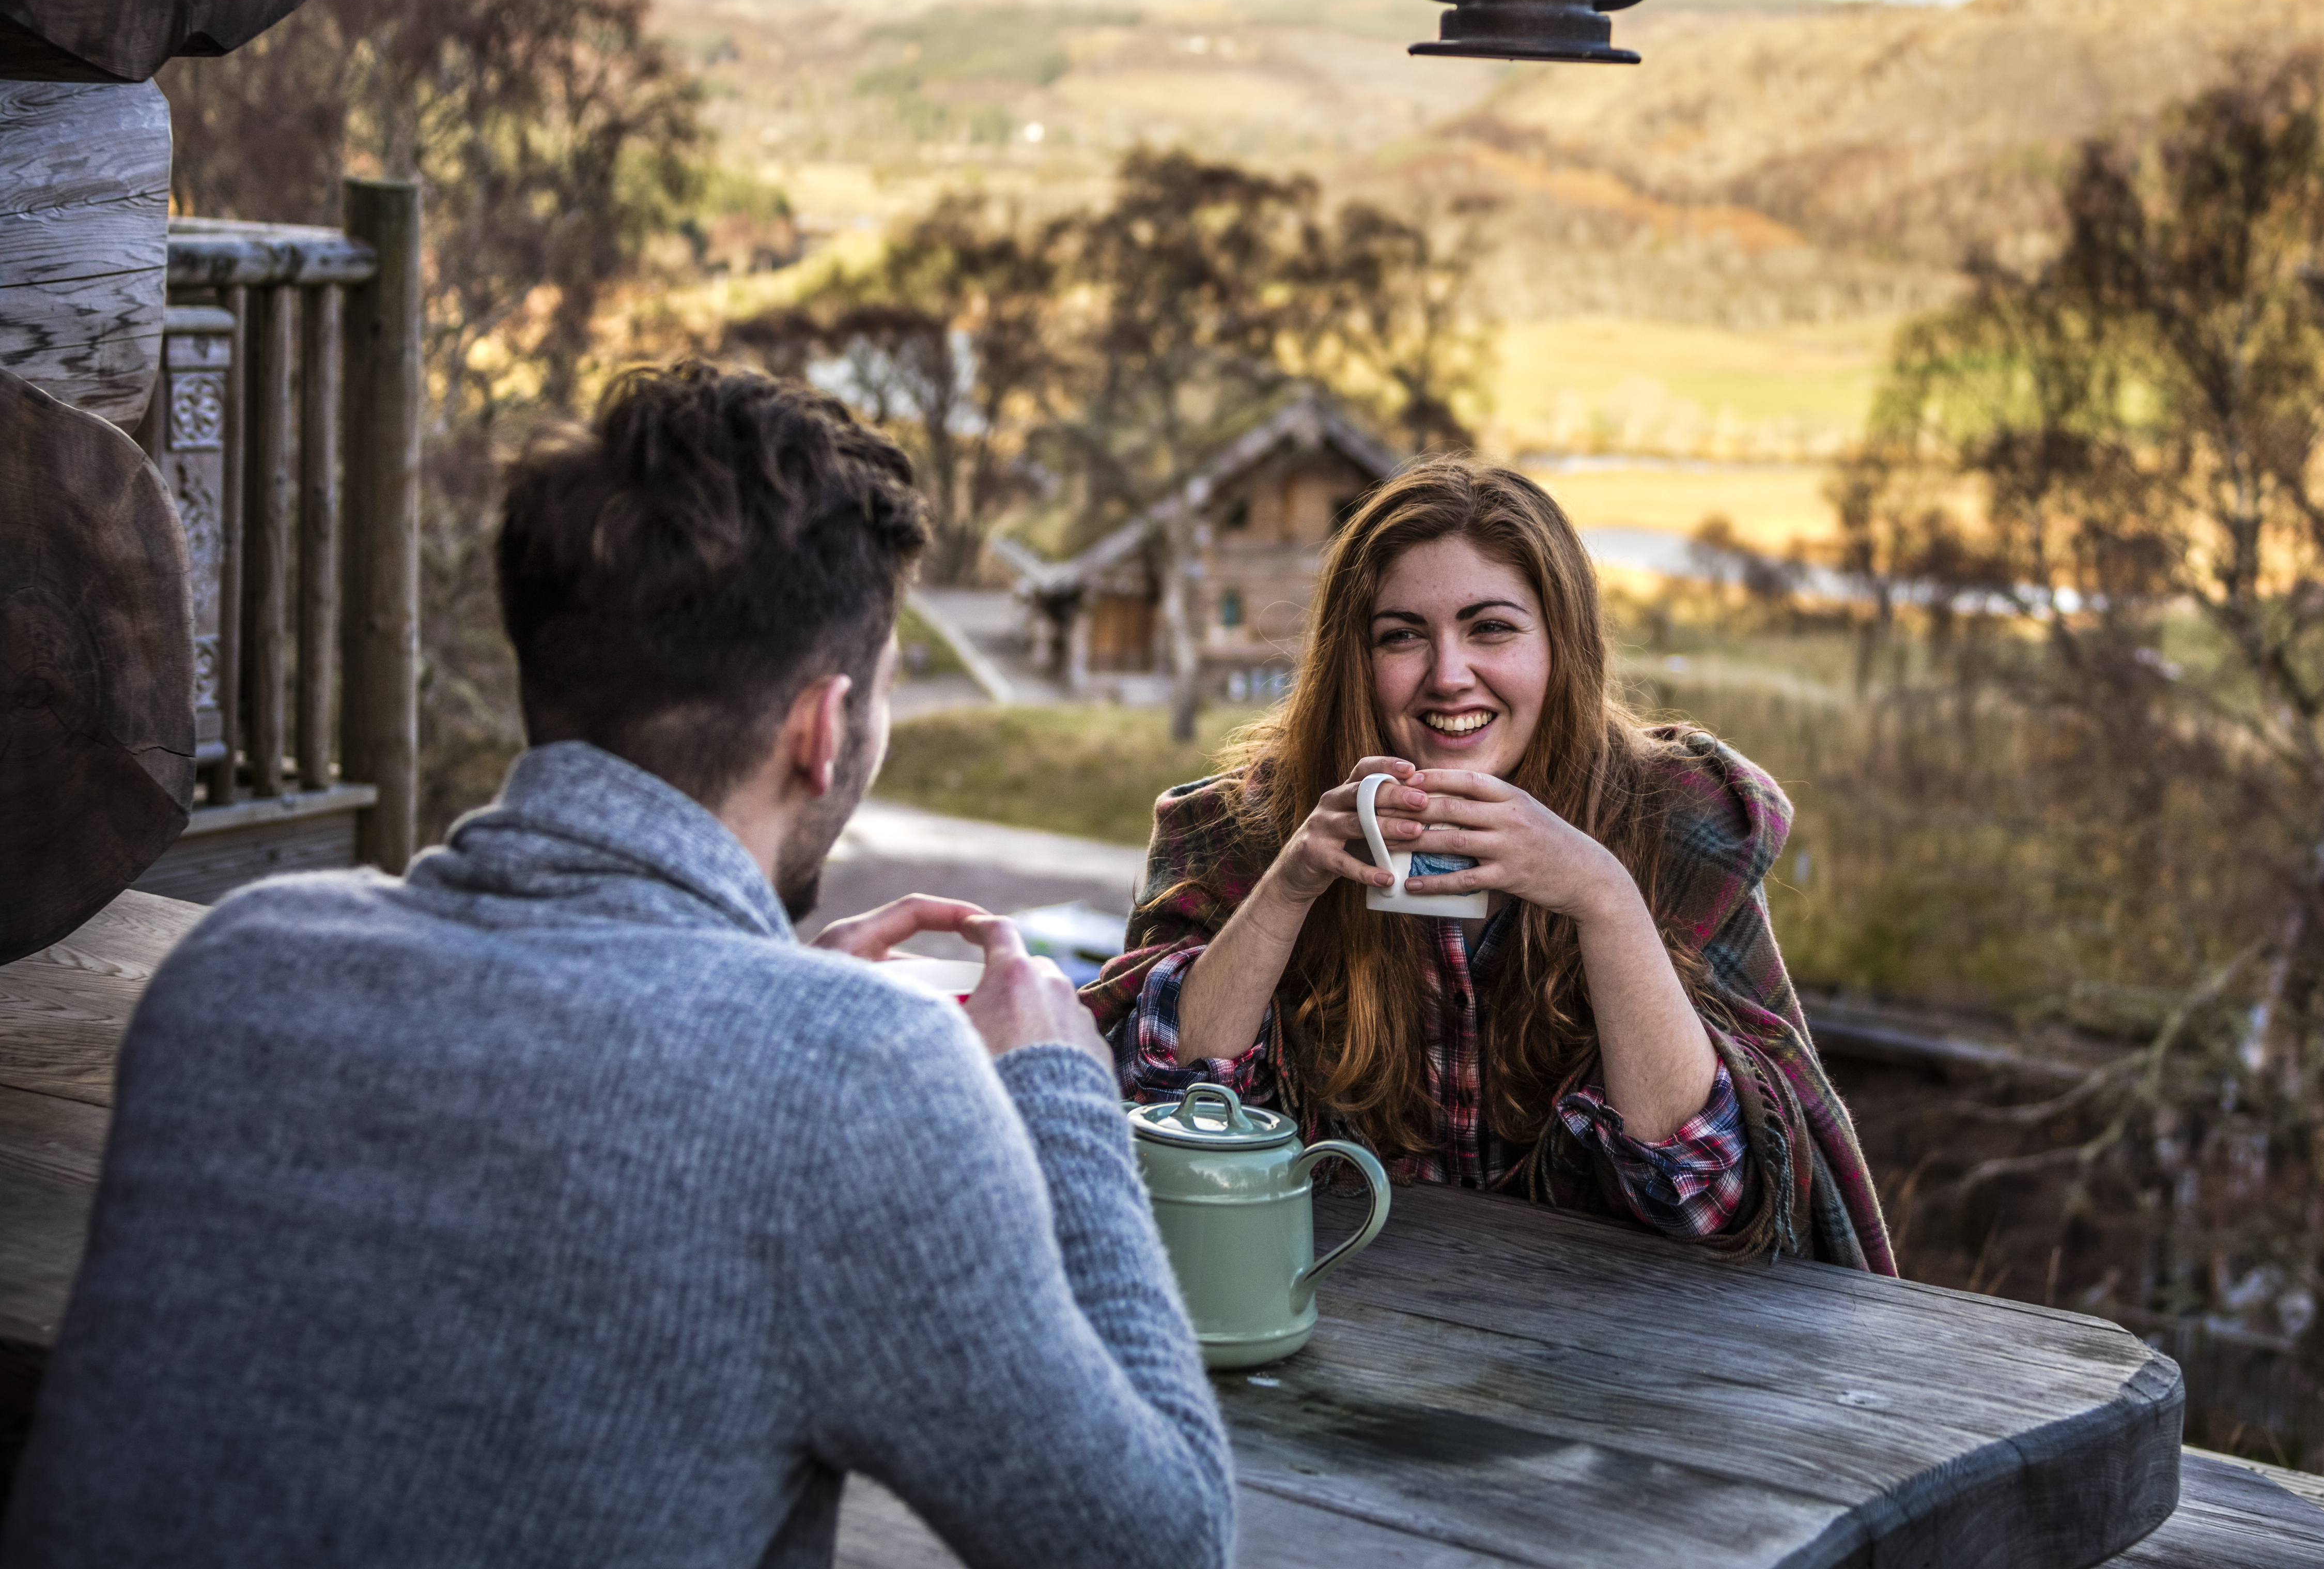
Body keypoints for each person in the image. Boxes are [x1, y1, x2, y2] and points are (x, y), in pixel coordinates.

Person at [2, 363, 1233, 1569]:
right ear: (823, 727)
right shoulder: (857, 1088)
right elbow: (1163, 1544)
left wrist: (764, 994)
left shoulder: (242, 967)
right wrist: (1063, 1097)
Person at [1083, 458, 1895, 1269]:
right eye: (1402, 635)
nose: (1447, 676)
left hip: (1613, 1345)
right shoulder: (1247, 826)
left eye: (1491, 628)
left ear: (1559, 645)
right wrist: (1290, 884)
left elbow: (1702, 1195)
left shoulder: (1670, 821)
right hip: (1325, 1310)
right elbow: (1167, 1122)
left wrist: (1599, 893)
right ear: (1352, 660)